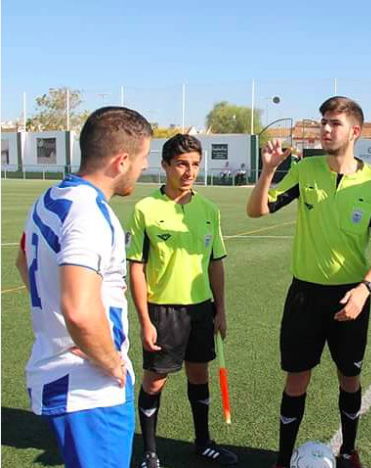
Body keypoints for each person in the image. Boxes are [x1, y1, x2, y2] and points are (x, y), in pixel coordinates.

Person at [247, 96, 371, 468]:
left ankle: (349, 450)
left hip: (351, 296)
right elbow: (258, 210)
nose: (325, 130)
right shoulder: (307, 170)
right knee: (296, 379)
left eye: (334, 123)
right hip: (304, 296)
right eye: (322, 123)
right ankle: (283, 458)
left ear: (355, 132)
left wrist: (365, 289)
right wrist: (268, 171)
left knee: (349, 376)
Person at [16, 106, 152, 468]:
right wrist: (109, 361)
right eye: (143, 159)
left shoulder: (52, 197)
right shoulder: (88, 214)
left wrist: (60, 324)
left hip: (65, 377)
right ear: (121, 161)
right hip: (89, 389)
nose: (143, 168)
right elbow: (79, 309)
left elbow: (22, 261)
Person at [126, 134, 237, 468]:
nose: (189, 172)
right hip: (163, 311)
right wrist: (145, 320)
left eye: (195, 165)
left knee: (199, 375)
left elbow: (216, 262)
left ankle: (203, 443)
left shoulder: (209, 210)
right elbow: (136, 267)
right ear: (165, 166)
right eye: (181, 164)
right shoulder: (145, 209)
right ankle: (149, 452)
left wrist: (221, 309)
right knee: (155, 380)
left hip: (201, 309)